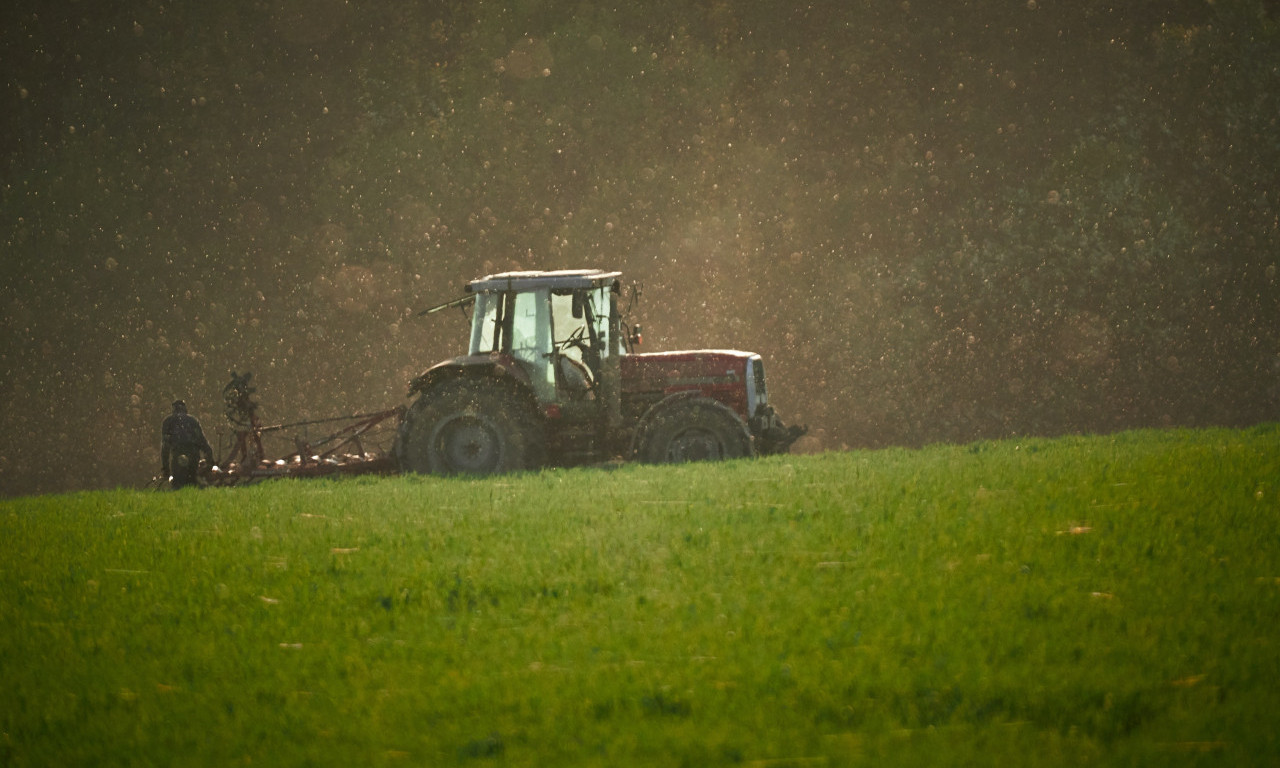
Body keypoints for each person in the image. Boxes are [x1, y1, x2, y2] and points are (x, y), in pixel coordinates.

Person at [161, 400, 214, 489]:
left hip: (178, 455)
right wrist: (210, 459)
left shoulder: (168, 421)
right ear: (185, 409)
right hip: (193, 454)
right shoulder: (193, 420)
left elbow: (165, 446)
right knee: (192, 481)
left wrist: (165, 468)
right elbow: (202, 440)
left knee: (178, 484)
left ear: (173, 409)